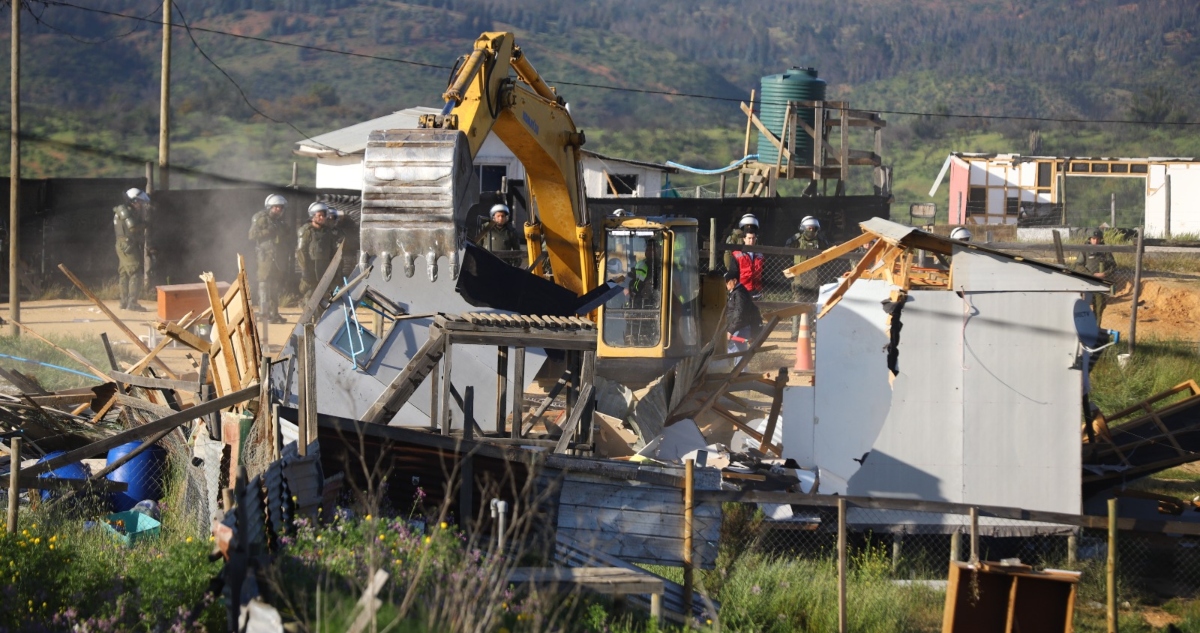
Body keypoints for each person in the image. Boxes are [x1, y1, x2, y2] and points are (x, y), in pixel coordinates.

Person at [784, 216, 829, 339]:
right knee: (797, 304)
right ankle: (794, 334)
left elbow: (828, 252)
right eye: (808, 228)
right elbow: (786, 252)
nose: (811, 230)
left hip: (815, 276)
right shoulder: (796, 240)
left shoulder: (820, 240)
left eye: (813, 228)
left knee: (812, 305)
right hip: (799, 276)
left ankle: (809, 332)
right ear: (803, 228)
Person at [249, 194, 291, 324]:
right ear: (270, 207)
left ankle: (274, 314)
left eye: (280, 207)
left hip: (277, 257)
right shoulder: (260, 218)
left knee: (274, 285)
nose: (278, 210)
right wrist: (268, 231)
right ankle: (264, 313)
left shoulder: (280, 222)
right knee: (264, 283)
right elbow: (252, 235)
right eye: (276, 207)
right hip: (265, 256)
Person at [296, 201, 346, 300]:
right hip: (310, 270)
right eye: (319, 215)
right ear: (312, 216)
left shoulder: (327, 232)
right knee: (310, 296)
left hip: (324, 270)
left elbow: (332, 252)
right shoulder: (306, 231)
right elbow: (301, 252)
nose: (322, 218)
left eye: (324, 215)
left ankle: (320, 316)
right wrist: (306, 270)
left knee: (324, 298)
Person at [113, 188, 151, 311]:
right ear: (133, 200)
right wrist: (145, 224)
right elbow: (133, 228)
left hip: (123, 245)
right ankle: (132, 303)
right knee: (136, 272)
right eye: (139, 201)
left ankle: (124, 302)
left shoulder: (122, 210)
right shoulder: (125, 211)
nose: (141, 204)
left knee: (124, 273)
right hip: (127, 245)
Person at [1077, 228, 1117, 325]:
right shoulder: (1085, 250)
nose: (1095, 241)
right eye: (1093, 239)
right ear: (1090, 239)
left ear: (1101, 239)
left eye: (1097, 239)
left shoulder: (1105, 250)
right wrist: (1091, 275)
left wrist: (1104, 274)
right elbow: (1078, 266)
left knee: (1099, 307)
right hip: (1086, 284)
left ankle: (1096, 329)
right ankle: (1084, 327)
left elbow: (1113, 266)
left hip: (1100, 284)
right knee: (1084, 307)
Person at [725, 270, 762, 354]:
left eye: (727, 281)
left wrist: (730, 330)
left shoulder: (739, 294)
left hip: (740, 328)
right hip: (736, 327)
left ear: (734, 281)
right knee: (732, 352)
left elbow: (739, 313)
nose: (725, 283)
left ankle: (740, 367)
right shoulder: (735, 292)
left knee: (737, 355)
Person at [731, 229, 765, 300]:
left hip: (756, 290)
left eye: (753, 238)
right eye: (749, 238)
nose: (751, 241)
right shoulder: (737, 254)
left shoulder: (760, 255)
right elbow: (733, 272)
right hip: (742, 290)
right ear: (744, 239)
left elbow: (763, 273)